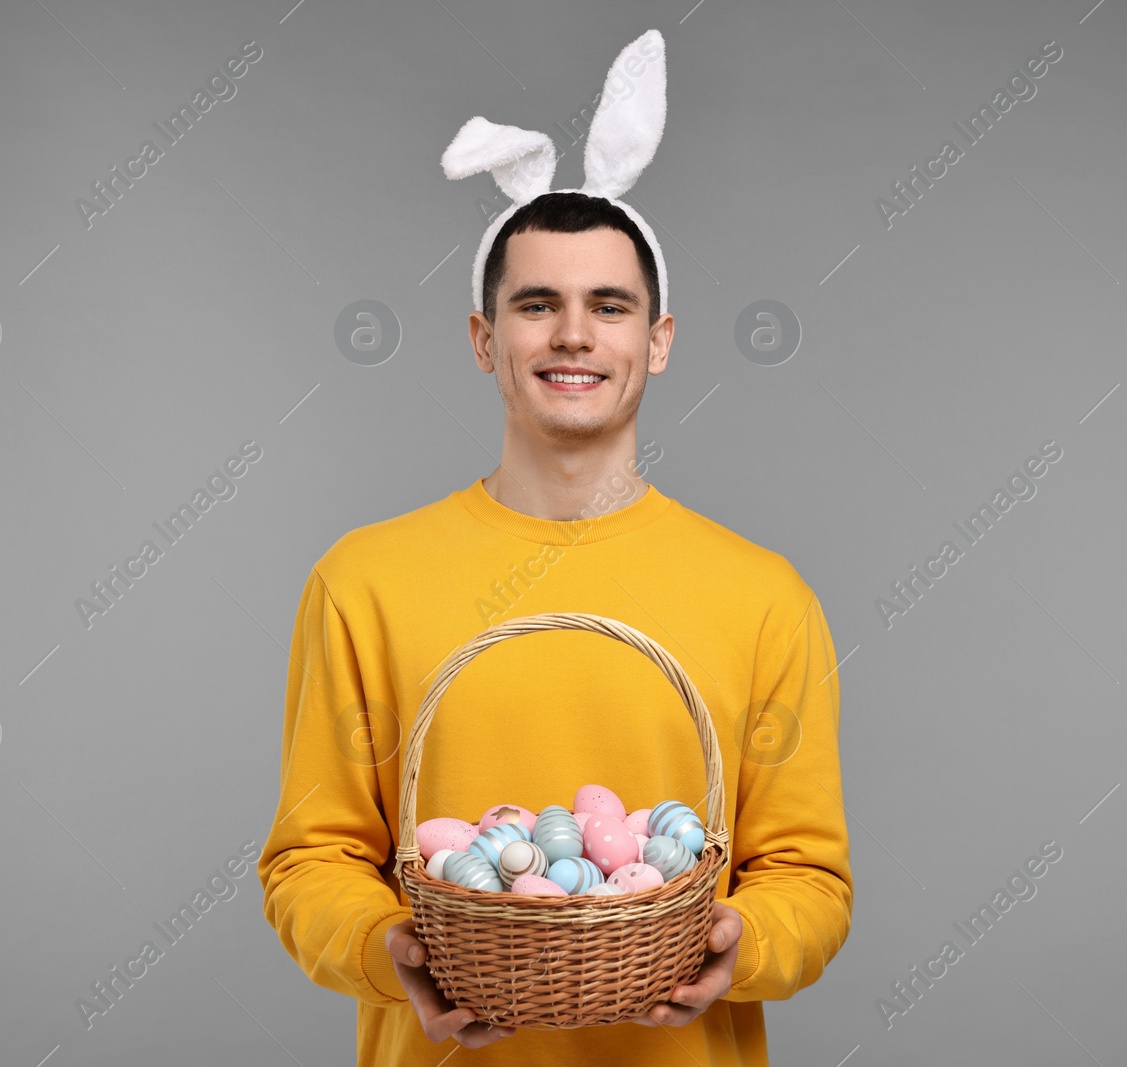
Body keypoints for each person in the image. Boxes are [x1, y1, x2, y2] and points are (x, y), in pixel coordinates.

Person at [259, 29, 851, 1065]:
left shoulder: (762, 595)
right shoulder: (364, 581)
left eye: (608, 305)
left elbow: (807, 875)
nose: (572, 334)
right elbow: (312, 857)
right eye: (536, 304)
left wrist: (738, 938)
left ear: (657, 339)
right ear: (485, 339)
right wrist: (385, 941)